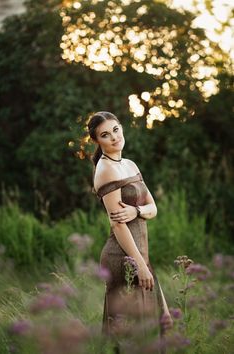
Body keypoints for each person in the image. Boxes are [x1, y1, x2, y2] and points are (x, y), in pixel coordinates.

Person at [87, 111, 173, 351]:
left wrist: (137, 212)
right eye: (105, 135)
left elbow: (153, 208)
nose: (114, 137)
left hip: (141, 252)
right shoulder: (105, 170)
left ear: (121, 128)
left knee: (161, 322)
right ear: (97, 141)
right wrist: (140, 266)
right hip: (123, 257)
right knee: (131, 333)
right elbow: (117, 224)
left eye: (115, 129)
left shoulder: (129, 164)